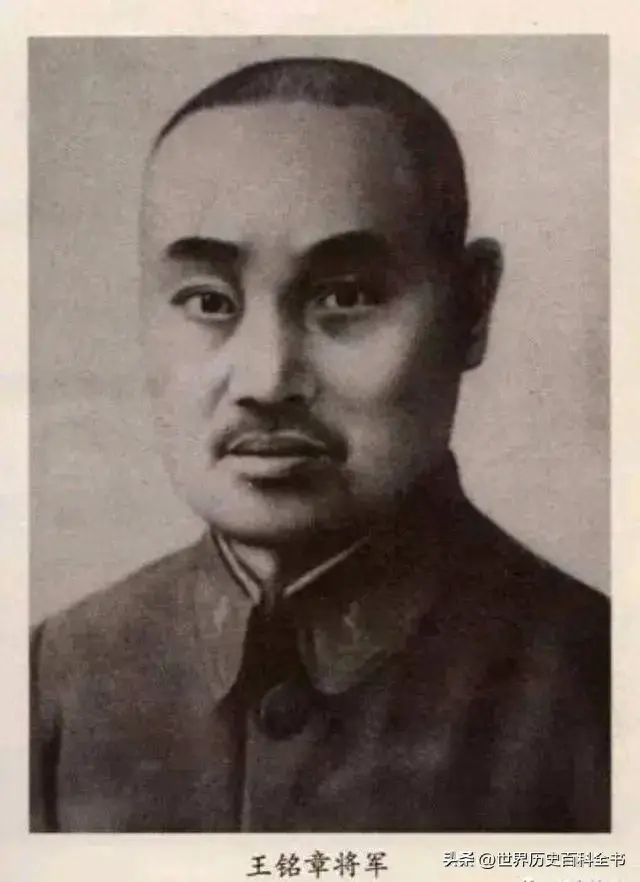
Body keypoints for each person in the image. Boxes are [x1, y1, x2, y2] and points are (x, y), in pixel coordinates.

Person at [30, 56, 610, 832]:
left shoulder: (600, 682)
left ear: (472, 309)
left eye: (346, 297)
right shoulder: (54, 679)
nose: (267, 380)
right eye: (208, 301)